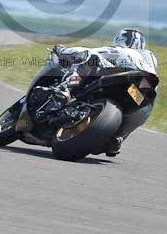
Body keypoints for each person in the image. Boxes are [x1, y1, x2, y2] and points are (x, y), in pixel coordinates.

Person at [49, 28, 158, 157]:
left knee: (90, 58)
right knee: (138, 111)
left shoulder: (121, 51)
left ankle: (64, 89)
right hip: (142, 97)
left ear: (120, 39)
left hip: (119, 82)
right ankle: (117, 139)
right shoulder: (150, 60)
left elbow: (87, 52)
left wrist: (62, 51)